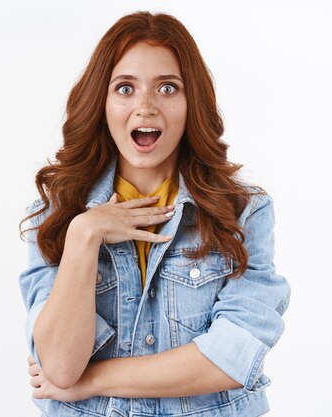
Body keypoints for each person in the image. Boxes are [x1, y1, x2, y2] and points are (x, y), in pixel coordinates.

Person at [17, 11, 291, 417]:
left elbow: (232, 356)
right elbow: (58, 366)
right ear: (101, 101)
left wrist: (92, 380)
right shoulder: (56, 215)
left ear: (191, 101)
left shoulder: (243, 211)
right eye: (125, 88)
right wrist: (83, 236)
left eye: (167, 87)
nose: (145, 107)